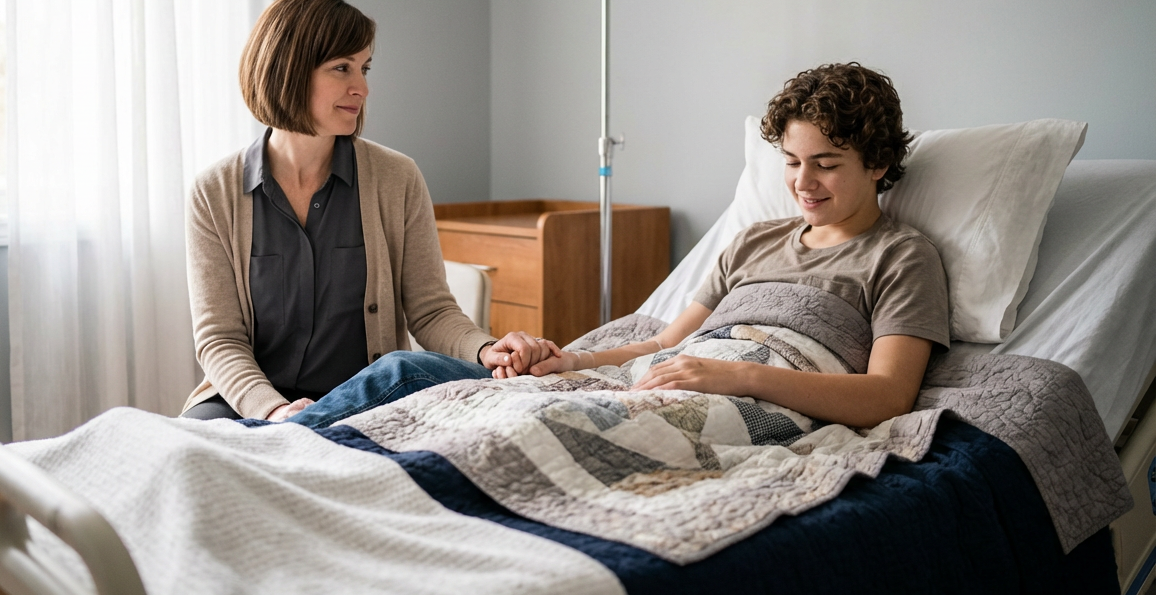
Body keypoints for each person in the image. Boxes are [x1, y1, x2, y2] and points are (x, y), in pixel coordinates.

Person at [288, 61, 949, 431]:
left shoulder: (900, 257)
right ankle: (275, 443)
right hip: (678, 375)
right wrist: (572, 359)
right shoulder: (753, 240)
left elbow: (888, 396)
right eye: (793, 161)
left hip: (739, 396)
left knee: (516, 431)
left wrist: (736, 375)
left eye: (827, 163)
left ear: (879, 163)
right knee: (406, 376)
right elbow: (666, 343)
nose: (803, 182)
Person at [181, 0, 547, 421]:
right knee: (192, 451)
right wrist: (276, 411)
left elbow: (432, 311)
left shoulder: (397, 177)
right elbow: (220, 340)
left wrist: (486, 349)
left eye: (365, 67)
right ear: (288, 71)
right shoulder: (213, 193)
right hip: (248, 402)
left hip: (368, 396)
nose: (363, 88)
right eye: (342, 68)